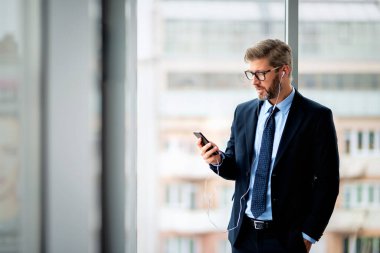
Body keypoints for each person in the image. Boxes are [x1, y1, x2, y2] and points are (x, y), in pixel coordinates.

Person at [196, 39, 339, 253]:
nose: (254, 81)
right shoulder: (242, 112)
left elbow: (328, 182)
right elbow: (235, 168)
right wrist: (217, 160)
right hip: (243, 235)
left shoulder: (316, 117)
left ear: (284, 71)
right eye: (250, 74)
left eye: (261, 74)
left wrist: (309, 235)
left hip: (287, 239)